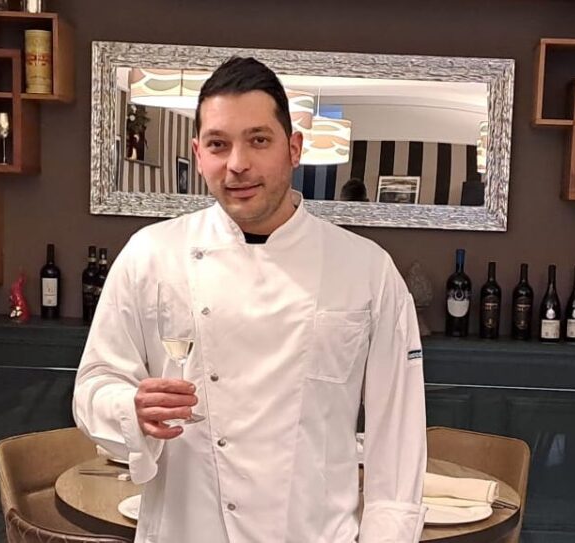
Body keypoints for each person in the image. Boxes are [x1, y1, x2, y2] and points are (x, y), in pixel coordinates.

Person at [73, 56, 427, 543]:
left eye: (258, 140)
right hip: (186, 530)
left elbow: (398, 434)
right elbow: (93, 386)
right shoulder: (150, 255)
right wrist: (128, 408)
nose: (237, 163)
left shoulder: (367, 269)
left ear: (293, 149)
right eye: (218, 144)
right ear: (198, 154)